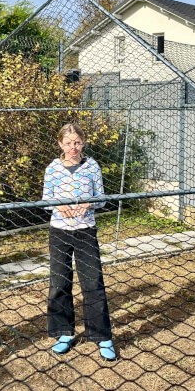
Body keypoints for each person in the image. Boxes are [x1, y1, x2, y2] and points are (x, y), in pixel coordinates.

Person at [43, 123, 115, 361]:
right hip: (59, 231)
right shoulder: (52, 169)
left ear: (83, 142)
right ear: (60, 144)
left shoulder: (92, 166)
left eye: (77, 142)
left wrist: (89, 202)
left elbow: (101, 198)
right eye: (68, 143)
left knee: (93, 282)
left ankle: (102, 336)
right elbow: (45, 200)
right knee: (59, 282)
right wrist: (58, 205)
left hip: (85, 231)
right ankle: (64, 333)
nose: (73, 147)